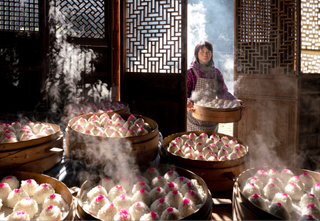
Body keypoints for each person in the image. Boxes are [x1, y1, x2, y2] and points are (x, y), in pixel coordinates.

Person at [187, 41, 244, 132]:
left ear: (211, 54)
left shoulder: (216, 72)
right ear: (196, 54)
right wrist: (188, 103)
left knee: (211, 144)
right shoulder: (190, 72)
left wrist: (234, 101)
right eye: (202, 52)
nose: (205, 55)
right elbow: (185, 94)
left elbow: (223, 92)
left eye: (208, 52)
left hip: (212, 117)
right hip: (194, 116)